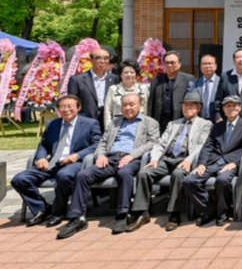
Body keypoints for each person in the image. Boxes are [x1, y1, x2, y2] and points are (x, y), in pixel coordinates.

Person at [58, 93, 160, 239]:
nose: (128, 108)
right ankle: (77, 218)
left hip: (132, 159)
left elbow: (153, 142)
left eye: (131, 104)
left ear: (140, 105)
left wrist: (131, 155)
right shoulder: (114, 123)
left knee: (124, 173)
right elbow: (103, 142)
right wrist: (100, 155)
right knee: (82, 175)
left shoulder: (150, 122)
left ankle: (123, 214)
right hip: (110, 159)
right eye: (124, 105)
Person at [126, 91, 213, 232]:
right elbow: (161, 143)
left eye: (191, 105)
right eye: (185, 105)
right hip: (167, 158)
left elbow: (201, 146)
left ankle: (174, 214)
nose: (187, 108)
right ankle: (142, 212)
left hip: (186, 159)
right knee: (144, 173)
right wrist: (155, 159)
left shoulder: (205, 124)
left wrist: (189, 160)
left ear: (199, 108)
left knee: (178, 174)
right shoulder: (173, 124)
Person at [11, 95, 101, 228]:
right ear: (58, 109)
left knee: (63, 176)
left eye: (70, 106)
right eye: (62, 107)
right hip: (52, 162)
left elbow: (96, 144)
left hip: (74, 162)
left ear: (78, 107)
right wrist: (41, 158)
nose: (66, 110)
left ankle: (58, 212)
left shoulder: (90, 123)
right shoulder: (53, 124)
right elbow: (43, 144)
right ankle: (42, 208)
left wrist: (77, 155)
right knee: (19, 179)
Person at [183, 95, 242, 227]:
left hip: (232, 163)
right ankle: (208, 210)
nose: (231, 108)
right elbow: (208, 146)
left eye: (234, 105)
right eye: (228, 106)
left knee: (222, 181)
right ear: (223, 109)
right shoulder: (218, 126)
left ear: (239, 107)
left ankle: (222, 213)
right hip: (213, 162)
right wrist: (201, 164)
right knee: (189, 181)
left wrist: (235, 163)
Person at [67, 48, 120, 122]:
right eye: (98, 58)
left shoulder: (114, 79)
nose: (102, 61)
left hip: (107, 120)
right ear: (91, 60)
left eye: (106, 58)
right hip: (86, 120)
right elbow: (72, 102)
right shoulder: (77, 80)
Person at [149, 51, 195, 133]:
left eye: (172, 62)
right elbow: (151, 103)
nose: (169, 65)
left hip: (179, 121)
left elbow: (192, 102)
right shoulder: (156, 80)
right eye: (167, 62)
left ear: (179, 64)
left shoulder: (188, 79)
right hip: (159, 122)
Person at [104, 59, 148, 131]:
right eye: (126, 72)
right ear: (121, 74)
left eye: (132, 72)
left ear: (136, 74)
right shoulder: (113, 89)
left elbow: (146, 110)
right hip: (117, 128)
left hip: (138, 128)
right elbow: (107, 111)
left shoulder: (143, 89)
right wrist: (108, 129)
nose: (129, 75)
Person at [188, 54, 222, 123]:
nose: (207, 66)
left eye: (209, 63)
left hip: (218, 120)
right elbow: (190, 103)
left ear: (215, 66)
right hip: (198, 121)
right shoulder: (193, 84)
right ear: (200, 67)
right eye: (204, 64)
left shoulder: (222, 82)